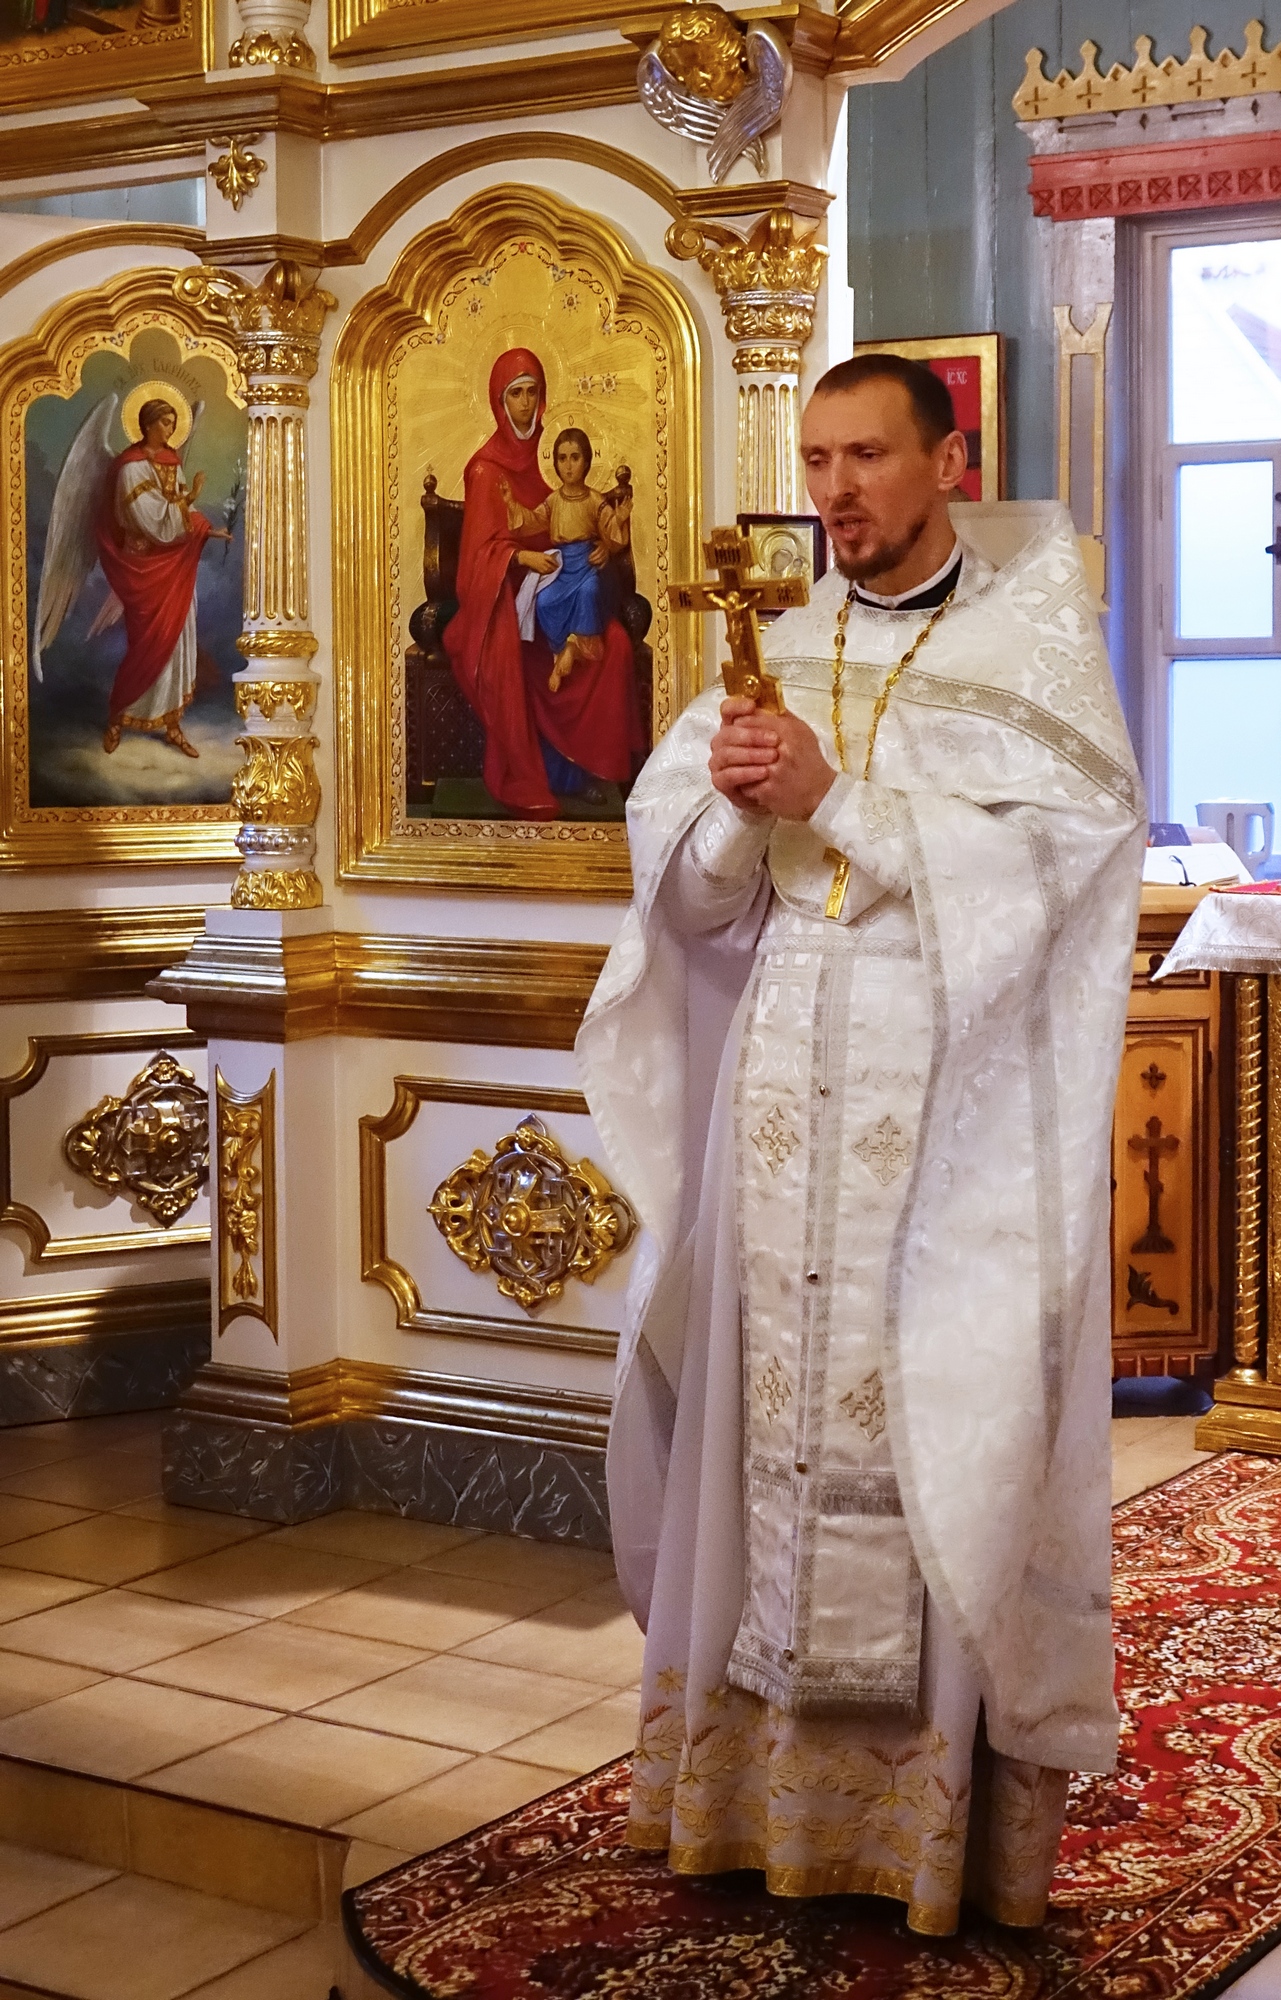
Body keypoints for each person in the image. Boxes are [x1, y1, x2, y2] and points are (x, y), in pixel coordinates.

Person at [577, 354, 1144, 1936]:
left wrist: (845, 801)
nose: (833, 491)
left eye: (866, 457)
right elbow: (690, 906)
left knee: (934, 1438)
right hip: (780, 1109)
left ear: (945, 458)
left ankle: (927, 1843)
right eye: (816, 459)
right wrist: (736, 816)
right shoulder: (777, 646)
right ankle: (754, 1812)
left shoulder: (1032, 643)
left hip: (952, 1124)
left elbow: (1067, 879)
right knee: (765, 1431)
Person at [443, 349, 644, 819]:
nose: (526, 403)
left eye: (533, 392)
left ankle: (595, 770)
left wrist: (602, 546)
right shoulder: (485, 470)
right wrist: (519, 556)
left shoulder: (553, 458)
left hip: (567, 584)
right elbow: (476, 558)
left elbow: (581, 517)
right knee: (524, 654)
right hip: (508, 601)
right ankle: (548, 771)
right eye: (516, 394)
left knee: (612, 645)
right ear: (499, 401)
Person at [96, 398, 231, 757]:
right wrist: (193, 501)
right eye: (165, 423)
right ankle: (117, 717)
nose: (171, 430)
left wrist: (207, 530)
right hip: (143, 568)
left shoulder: (171, 460)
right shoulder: (130, 467)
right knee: (146, 644)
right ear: (147, 423)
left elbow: (178, 505)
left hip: (174, 563)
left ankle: (172, 724)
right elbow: (149, 517)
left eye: (174, 423)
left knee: (179, 635)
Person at [499, 426, 632, 694]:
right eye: (562, 458)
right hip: (563, 566)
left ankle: (574, 649)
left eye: (575, 457)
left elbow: (611, 535)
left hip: (588, 564)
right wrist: (512, 504)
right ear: (556, 463)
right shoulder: (554, 501)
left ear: (586, 461)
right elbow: (533, 520)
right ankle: (561, 651)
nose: (569, 466)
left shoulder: (595, 500)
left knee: (589, 591)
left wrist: (615, 526)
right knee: (546, 601)